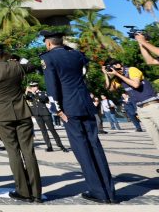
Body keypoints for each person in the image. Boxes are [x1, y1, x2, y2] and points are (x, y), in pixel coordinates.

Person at [40, 30, 115, 203]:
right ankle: (109, 192)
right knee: (95, 146)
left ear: (48, 43)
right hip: (85, 103)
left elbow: (52, 85)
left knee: (82, 149)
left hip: (69, 107)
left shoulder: (48, 58)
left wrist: (56, 108)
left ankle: (98, 192)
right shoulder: (76, 55)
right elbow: (83, 71)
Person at [0, 42, 42, 203]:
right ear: (3, 54)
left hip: (3, 115)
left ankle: (23, 191)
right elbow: (30, 65)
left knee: (13, 152)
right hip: (22, 112)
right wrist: (18, 58)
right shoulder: (16, 66)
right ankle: (36, 193)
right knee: (28, 152)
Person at [103, 36, 159, 160]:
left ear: (119, 64)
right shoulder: (118, 78)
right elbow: (109, 89)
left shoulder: (131, 70)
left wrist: (117, 74)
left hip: (153, 106)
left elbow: (135, 84)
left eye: (112, 66)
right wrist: (106, 75)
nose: (111, 69)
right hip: (141, 109)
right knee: (155, 138)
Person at [25, 82, 67, 152]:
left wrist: (34, 93)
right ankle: (49, 146)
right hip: (37, 114)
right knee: (43, 131)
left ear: (37, 86)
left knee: (52, 130)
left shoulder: (42, 93)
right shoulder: (30, 94)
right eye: (32, 86)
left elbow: (43, 99)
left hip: (45, 114)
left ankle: (61, 145)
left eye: (35, 86)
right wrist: (26, 91)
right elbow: (27, 98)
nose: (33, 87)